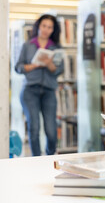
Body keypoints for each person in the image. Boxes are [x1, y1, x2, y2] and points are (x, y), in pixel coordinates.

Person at [15, 14, 64, 156]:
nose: (46, 29)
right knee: (34, 127)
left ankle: (49, 157)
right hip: (30, 91)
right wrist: (32, 66)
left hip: (49, 91)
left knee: (51, 130)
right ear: (38, 26)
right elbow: (18, 67)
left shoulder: (55, 48)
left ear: (53, 30)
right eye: (44, 26)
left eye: (50, 27)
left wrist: (50, 65)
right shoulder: (28, 45)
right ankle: (36, 160)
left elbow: (60, 70)